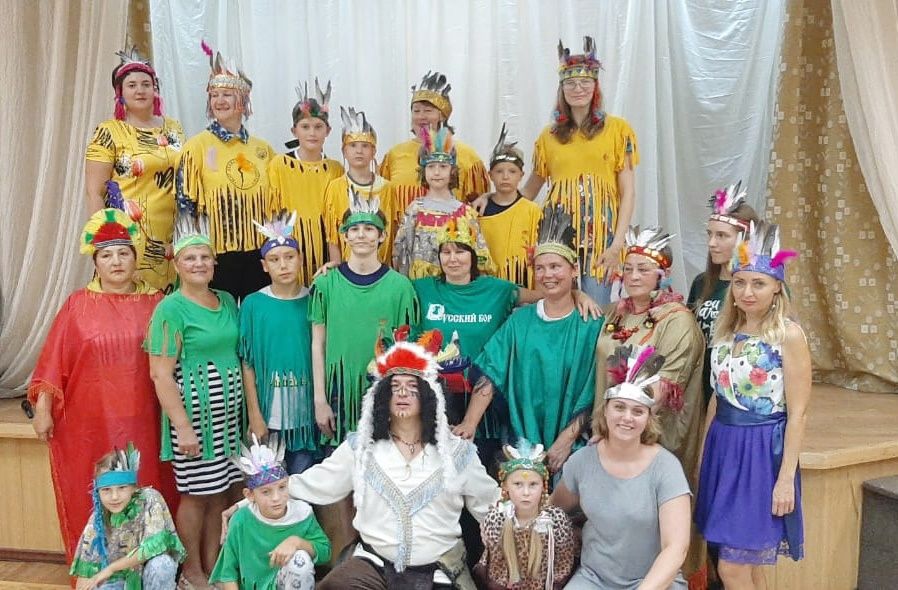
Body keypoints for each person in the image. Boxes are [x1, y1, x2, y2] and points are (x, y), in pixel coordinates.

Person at [223, 334, 501, 589]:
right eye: (394, 387)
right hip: (373, 564)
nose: (402, 393)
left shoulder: (458, 453)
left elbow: (493, 510)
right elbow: (314, 484)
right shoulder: (360, 448)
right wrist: (248, 501)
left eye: (412, 387)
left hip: (439, 570)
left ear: (431, 395)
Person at [28, 208, 177, 560]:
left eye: (124, 253)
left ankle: (152, 563)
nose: (116, 262)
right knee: (101, 491)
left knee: (148, 486)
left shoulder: (158, 303)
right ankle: (99, 566)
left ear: (135, 258)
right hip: (91, 423)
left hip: (147, 420)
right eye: (107, 255)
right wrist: (43, 410)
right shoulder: (77, 306)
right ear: (95, 262)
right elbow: (53, 362)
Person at [695, 221, 810, 588]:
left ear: (777, 286)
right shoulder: (725, 331)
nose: (747, 292)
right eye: (740, 282)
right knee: (747, 565)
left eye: (758, 283)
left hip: (760, 453)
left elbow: (798, 413)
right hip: (723, 447)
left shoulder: (788, 335)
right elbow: (717, 400)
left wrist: (785, 479)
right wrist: (703, 458)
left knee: (731, 568)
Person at [146, 215, 245, 589]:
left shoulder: (226, 301)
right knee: (196, 496)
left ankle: (213, 563)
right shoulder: (170, 309)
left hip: (227, 422)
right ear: (177, 264)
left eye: (205, 257)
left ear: (214, 263)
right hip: (194, 420)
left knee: (219, 493)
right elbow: (160, 374)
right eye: (190, 258)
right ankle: (191, 569)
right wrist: (183, 426)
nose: (199, 264)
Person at [473, 205, 604, 474]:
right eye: (540, 268)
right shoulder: (520, 321)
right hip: (523, 445)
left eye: (555, 266)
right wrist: (468, 423)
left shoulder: (590, 324)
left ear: (574, 270)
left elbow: (593, 390)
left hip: (573, 446)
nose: (547, 275)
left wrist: (566, 441)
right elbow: (491, 370)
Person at [553, 345, 692, 589]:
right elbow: (553, 510)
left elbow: (676, 548)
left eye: (637, 411)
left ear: (648, 419)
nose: (627, 417)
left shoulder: (666, 468)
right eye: (619, 407)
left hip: (653, 582)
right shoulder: (582, 461)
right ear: (605, 411)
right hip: (594, 579)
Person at [519, 36, 638, 304]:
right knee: (559, 302)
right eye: (570, 83)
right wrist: (494, 202)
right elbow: (530, 190)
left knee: (596, 305)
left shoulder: (618, 130)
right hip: (558, 233)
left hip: (601, 236)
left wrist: (617, 244)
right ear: (561, 88)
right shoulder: (548, 137)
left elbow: (628, 192)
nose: (578, 88)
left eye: (585, 82)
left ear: (595, 86)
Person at [595, 226, 704, 481]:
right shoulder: (615, 313)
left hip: (650, 440)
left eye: (643, 269)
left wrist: (621, 430)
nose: (633, 276)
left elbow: (662, 392)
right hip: (607, 432)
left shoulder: (677, 321)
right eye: (628, 268)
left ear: (663, 275)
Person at [177, 43, 276, 302]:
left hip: (258, 252)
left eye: (227, 95)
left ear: (243, 101)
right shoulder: (196, 147)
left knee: (256, 313)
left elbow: (277, 203)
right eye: (214, 95)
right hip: (217, 254)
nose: (219, 101)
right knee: (220, 314)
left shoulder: (263, 150)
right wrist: (195, 252)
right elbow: (186, 205)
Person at [85, 48, 185, 292]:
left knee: (168, 303)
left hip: (172, 235)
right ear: (120, 93)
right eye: (132, 85)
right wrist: (104, 239)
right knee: (131, 300)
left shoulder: (173, 128)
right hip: (128, 234)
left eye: (146, 84)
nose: (140, 90)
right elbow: (94, 192)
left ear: (155, 89)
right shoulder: (109, 131)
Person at [239, 211, 319, 474]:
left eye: (289, 257)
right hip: (269, 416)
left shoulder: (315, 300)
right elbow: (247, 362)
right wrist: (255, 414)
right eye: (274, 259)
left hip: (306, 417)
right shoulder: (253, 304)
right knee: (269, 484)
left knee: (303, 483)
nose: (283, 265)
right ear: (265, 266)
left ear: (301, 259)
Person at [209, 435, 330, 589]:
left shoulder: (302, 514)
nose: (276, 498)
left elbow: (325, 553)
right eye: (266, 492)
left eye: (282, 487)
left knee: (301, 561)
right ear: (249, 495)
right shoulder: (240, 520)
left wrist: (298, 542)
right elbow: (228, 573)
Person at [70, 445, 185, 590]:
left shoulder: (150, 499)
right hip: (119, 581)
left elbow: (151, 548)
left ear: (134, 488)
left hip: (148, 576)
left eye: (122, 488)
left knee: (162, 565)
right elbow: (85, 572)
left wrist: (111, 568)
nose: (114, 497)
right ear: (97, 492)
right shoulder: (97, 520)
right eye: (106, 490)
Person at [687, 181, 759, 406]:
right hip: (702, 384)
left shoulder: (759, 287)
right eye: (709, 234)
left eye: (721, 236)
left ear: (744, 239)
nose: (711, 243)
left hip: (742, 387)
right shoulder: (702, 283)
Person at [268, 79, 344, 286]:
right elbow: (273, 211)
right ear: (294, 131)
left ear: (328, 131)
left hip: (326, 248)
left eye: (318, 127)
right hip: (290, 248)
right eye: (305, 127)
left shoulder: (335, 169)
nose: (312, 133)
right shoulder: (280, 165)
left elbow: (337, 215)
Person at [392, 125, 494, 279]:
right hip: (421, 286)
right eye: (431, 167)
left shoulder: (465, 213)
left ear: (452, 171)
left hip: (455, 285)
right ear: (423, 171)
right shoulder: (415, 209)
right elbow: (401, 253)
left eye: (443, 167)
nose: (437, 172)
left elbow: (479, 255)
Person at [380, 70, 490, 211]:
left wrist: (488, 196)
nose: (421, 116)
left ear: (442, 115)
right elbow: (382, 202)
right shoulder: (394, 155)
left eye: (428, 110)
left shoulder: (467, 155)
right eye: (416, 111)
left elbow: (480, 203)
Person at [474, 440, 577, 590]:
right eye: (518, 484)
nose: (526, 492)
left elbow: (563, 565)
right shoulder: (496, 520)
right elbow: (495, 571)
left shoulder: (556, 520)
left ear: (544, 486)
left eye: (533, 484)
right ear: (505, 486)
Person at [323, 106, 397, 263]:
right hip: (348, 266)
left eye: (365, 146)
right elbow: (333, 236)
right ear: (344, 151)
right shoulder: (335, 187)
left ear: (374, 151)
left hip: (380, 266)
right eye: (353, 145)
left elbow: (393, 232)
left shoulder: (387, 188)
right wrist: (337, 270)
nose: (359, 151)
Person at [478, 124, 542, 288]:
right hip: (490, 283)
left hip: (524, 284)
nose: (505, 177)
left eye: (512, 171)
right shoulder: (480, 210)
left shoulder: (532, 210)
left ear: (521, 175)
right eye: (499, 171)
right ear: (490, 175)